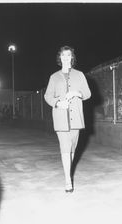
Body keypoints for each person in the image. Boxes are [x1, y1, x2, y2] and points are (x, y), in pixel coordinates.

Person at [44, 45, 91, 193]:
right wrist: (58, 103)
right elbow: (47, 96)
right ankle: (67, 180)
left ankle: (67, 174)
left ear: (72, 57)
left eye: (68, 55)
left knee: (72, 150)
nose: (66, 57)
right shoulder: (54, 77)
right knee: (65, 148)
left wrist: (77, 93)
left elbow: (88, 94)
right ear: (60, 58)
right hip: (60, 118)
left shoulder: (80, 75)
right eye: (63, 55)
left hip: (76, 118)